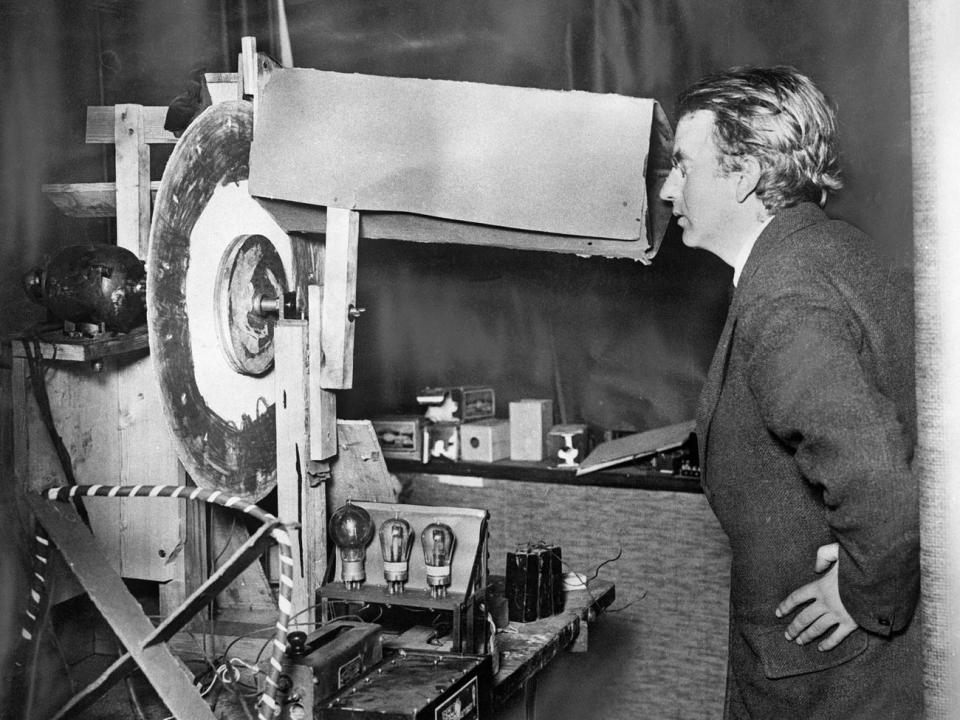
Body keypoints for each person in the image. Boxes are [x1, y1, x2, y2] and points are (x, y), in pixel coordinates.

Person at [659, 66, 921, 719]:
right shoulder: (832, 252)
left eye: (685, 167)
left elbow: (879, 478)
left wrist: (864, 593)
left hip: (829, 680)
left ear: (743, 174)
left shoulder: (786, 296)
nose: (668, 189)